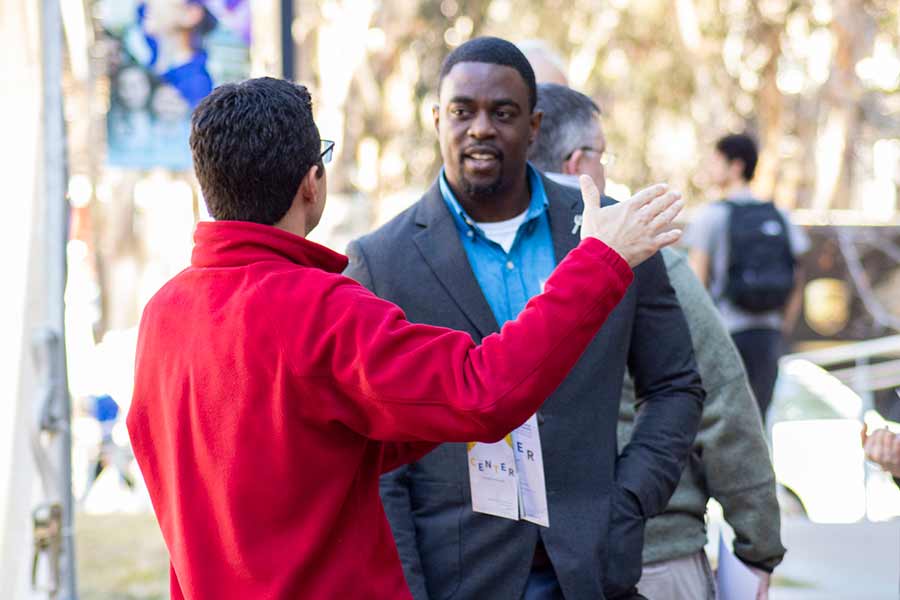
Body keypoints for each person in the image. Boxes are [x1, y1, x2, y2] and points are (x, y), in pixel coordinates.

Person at [127, 76, 684, 599]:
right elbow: (483, 390)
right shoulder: (321, 311)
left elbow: (298, 447)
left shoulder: (162, 315)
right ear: (310, 183)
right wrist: (600, 262)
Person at [345, 37, 704, 600]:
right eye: (463, 111)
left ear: (534, 126)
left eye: (503, 113)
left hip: (593, 565)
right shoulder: (380, 260)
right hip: (460, 574)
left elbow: (677, 385)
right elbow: (379, 455)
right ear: (437, 119)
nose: (481, 128)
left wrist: (628, 500)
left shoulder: (612, 232)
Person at [530, 82, 786, 600]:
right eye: (603, 154)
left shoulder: (490, 261)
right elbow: (723, 401)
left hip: (528, 564)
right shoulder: (639, 253)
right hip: (656, 550)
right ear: (580, 161)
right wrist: (759, 544)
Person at [683, 133, 810, 420]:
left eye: (716, 161)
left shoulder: (711, 216)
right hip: (768, 334)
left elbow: (696, 283)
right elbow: (798, 277)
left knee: (723, 425)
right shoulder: (780, 215)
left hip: (726, 334)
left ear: (736, 166)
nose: (710, 168)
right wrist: (781, 327)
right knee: (759, 423)